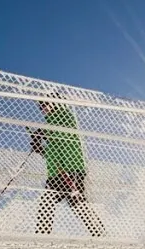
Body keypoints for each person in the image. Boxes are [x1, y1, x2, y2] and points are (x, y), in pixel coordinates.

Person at [30, 94, 105, 237]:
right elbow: (54, 151)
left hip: (71, 167)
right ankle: (42, 235)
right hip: (55, 171)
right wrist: (40, 149)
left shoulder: (64, 116)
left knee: (75, 201)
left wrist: (41, 132)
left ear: (54, 103)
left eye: (45, 105)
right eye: (41, 107)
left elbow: (63, 135)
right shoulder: (50, 124)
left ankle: (98, 232)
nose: (43, 109)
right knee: (47, 200)